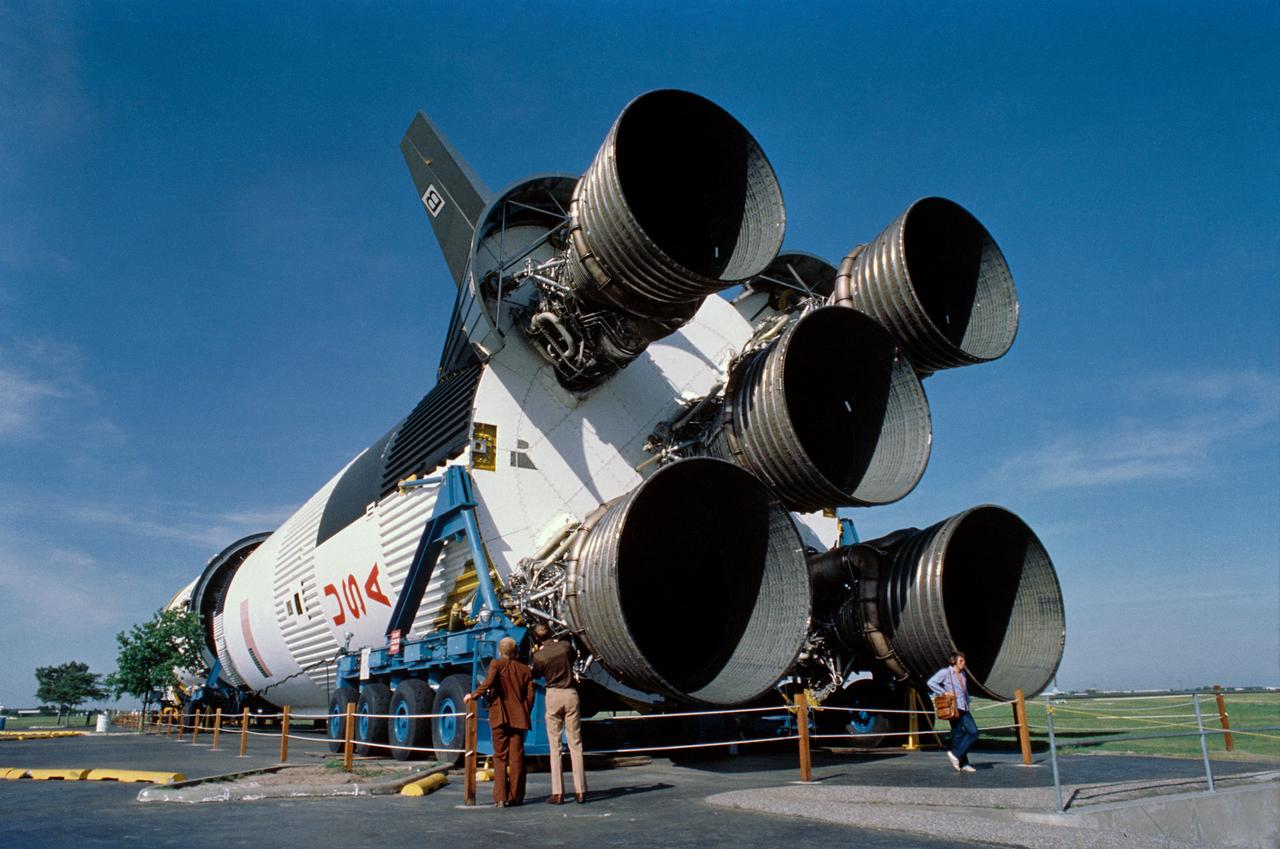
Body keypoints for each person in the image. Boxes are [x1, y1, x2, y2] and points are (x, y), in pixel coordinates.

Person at [465, 637, 535, 807]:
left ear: (499, 650)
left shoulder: (496, 664)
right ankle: (516, 796)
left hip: (499, 716)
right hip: (518, 718)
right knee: (517, 757)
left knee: (500, 756)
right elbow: (530, 695)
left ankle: (501, 797)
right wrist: (524, 710)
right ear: (515, 651)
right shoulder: (525, 669)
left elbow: (487, 683)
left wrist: (472, 695)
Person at [530, 623, 587, 804]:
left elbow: (535, 674)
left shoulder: (538, 656)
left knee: (555, 747)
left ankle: (558, 793)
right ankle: (580, 791)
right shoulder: (565, 647)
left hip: (553, 695)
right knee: (575, 745)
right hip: (570, 694)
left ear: (537, 639)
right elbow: (571, 655)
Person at [928, 650, 979, 773]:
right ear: (954, 661)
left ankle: (959, 759)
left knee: (966, 733)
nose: (963, 663)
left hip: (964, 707)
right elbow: (931, 682)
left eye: (964, 660)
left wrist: (968, 701)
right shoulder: (945, 672)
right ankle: (959, 759)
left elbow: (964, 691)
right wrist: (943, 692)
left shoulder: (963, 674)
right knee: (966, 734)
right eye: (961, 660)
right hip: (953, 707)